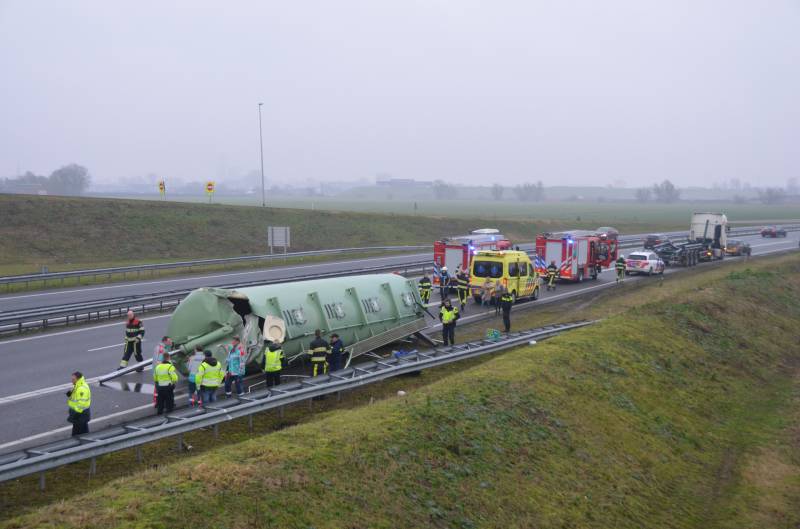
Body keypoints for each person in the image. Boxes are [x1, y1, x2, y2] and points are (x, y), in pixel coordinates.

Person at [66, 371, 91, 436]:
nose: (72, 381)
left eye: (73, 379)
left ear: (78, 379)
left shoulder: (81, 388)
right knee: (83, 432)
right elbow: (76, 397)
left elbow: (81, 403)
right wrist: (70, 393)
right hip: (80, 415)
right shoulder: (78, 385)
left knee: (79, 434)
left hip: (80, 415)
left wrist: (76, 413)